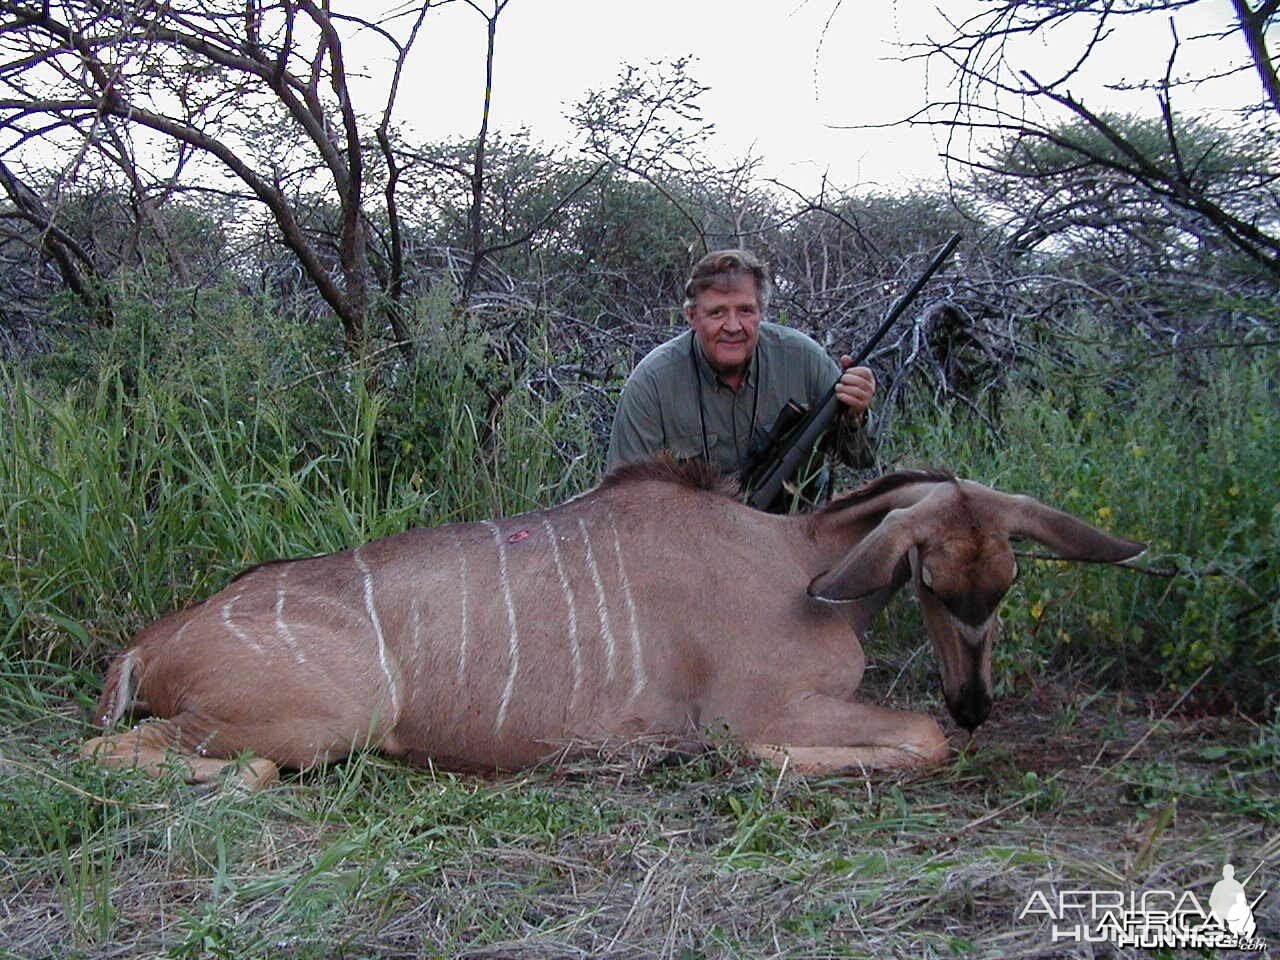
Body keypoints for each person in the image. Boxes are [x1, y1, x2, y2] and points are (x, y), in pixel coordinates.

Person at [606, 249, 876, 506]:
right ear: (692, 316)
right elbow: (624, 501)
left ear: (761, 311)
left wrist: (855, 415)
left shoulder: (804, 358)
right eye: (717, 312)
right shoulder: (652, 383)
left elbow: (861, 459)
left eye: (745, 310)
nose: (733, 327)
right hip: (693, 540)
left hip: (797, 529)